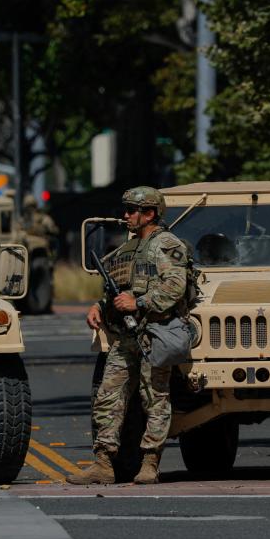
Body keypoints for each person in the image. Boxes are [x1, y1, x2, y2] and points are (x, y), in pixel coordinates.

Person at [67, 186, 189, 486]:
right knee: (107, 397)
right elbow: (119, 289)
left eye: (132, 210)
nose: (126, 215)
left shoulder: (168, 245)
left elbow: (175, 287)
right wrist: (99, 306)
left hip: (155, 334)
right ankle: (103, 464)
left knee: (154, 398)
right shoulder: (126, 250)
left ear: (150, 213)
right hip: (125, 338)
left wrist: (141, 303)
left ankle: (150, 463)